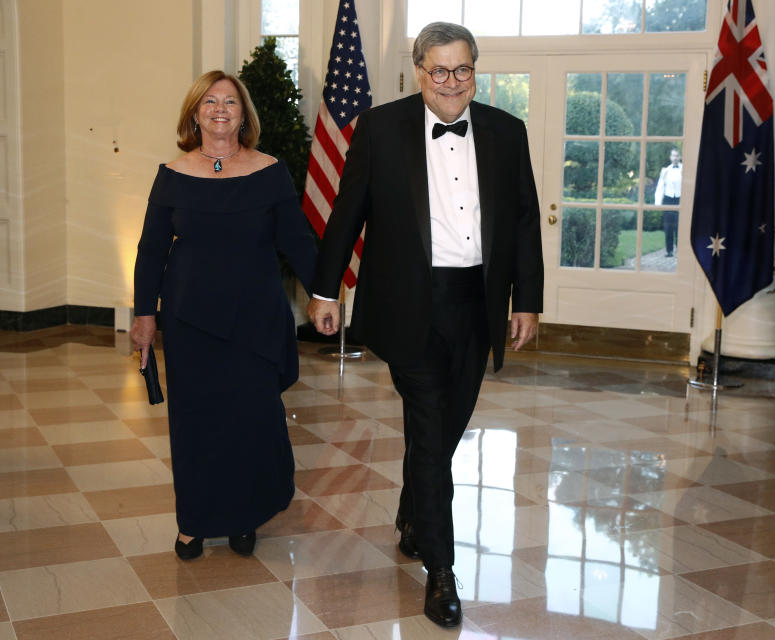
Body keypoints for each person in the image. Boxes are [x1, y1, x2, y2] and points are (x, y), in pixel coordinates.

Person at [307, 22, 543, 628]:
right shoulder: (381, 127)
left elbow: (521, 221)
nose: (451, 82)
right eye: (438, 70)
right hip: (409, 305)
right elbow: (347, 212)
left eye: (462, 69)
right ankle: (441, 570)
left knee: (441, 430)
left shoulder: (506, 131)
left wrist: (526, 301)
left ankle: (413, 514)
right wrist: (324, 288)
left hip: (477, 304)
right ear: (418, 71)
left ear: (475, 69)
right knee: (433, 429)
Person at [130, 70, 317, 561]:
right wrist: (144, 315)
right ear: (194, 113)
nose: (219, 109)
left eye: (229, 102)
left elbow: (297, 240)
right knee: (194, 423)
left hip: (255, 320)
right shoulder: (171, 174)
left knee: (250, 422)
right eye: (209, 101)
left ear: (243, 114)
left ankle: (244, 516)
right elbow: (151, 252)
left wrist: (323, 293)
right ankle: (193, 521)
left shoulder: (270, 171)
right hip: (190, 322)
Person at [654, 147, 682, 257]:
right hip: (668, 200)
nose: (675, 158)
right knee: (668, 227)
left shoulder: (684, 169)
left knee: (680, 226)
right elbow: (660, 187)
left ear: (680, 157)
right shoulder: (665, 171)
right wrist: (657, 203)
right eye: (673, 155)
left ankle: (681, 251)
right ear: (670, 157)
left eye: (677, 156)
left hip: (680, 199)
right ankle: (669, 250)